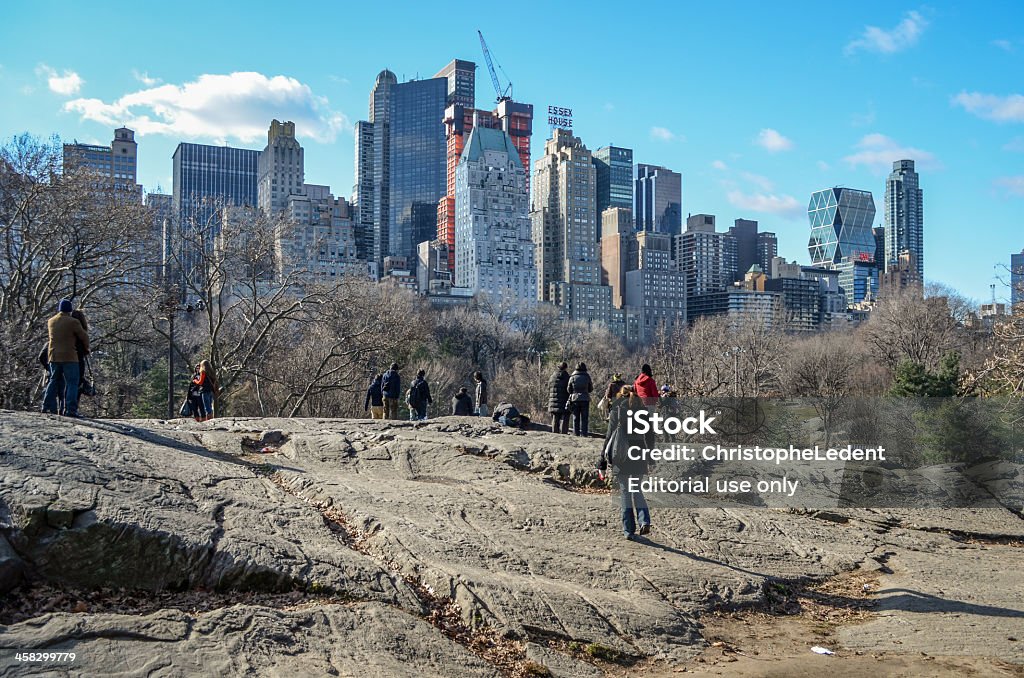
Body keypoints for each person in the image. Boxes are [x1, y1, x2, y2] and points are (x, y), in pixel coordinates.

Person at [599, 387, 652, 540]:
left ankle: (629, 530)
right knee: (637, 489)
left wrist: (602, 461)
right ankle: (644, 520)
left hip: (621, 455)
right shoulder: (643, 411)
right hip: (639, 453)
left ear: (620, 396)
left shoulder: (616, 410)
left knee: (625, 492)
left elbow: (609, 437)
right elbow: (649, 437)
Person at [42, 299, 89, 417]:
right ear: (70, 310)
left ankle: (46, 406)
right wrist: (87, 348)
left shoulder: (51, 321)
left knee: (53, 381)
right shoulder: (73, 322)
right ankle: (70, 410)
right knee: (72, 383)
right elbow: (84, 336)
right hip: (69, 356)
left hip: (53, 356)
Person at [567, 362, 593, 437]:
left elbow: (569, 389)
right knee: (584, 418)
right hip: (585, 398)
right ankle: (584, 434)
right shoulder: (587, 376)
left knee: (575, 417)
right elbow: (591, 389)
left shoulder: (572, 377)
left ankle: (576, 433)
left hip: (575, 399)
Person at [547, 362, 570, 434]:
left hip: (553, 401)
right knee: (564, 417)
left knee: (555, 417)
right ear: (565, 368)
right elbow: (569, 389)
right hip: (564, 400)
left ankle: (555, 432)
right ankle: (563, 433)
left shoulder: (552, 377)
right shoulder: (567, 377)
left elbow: (548, 387)